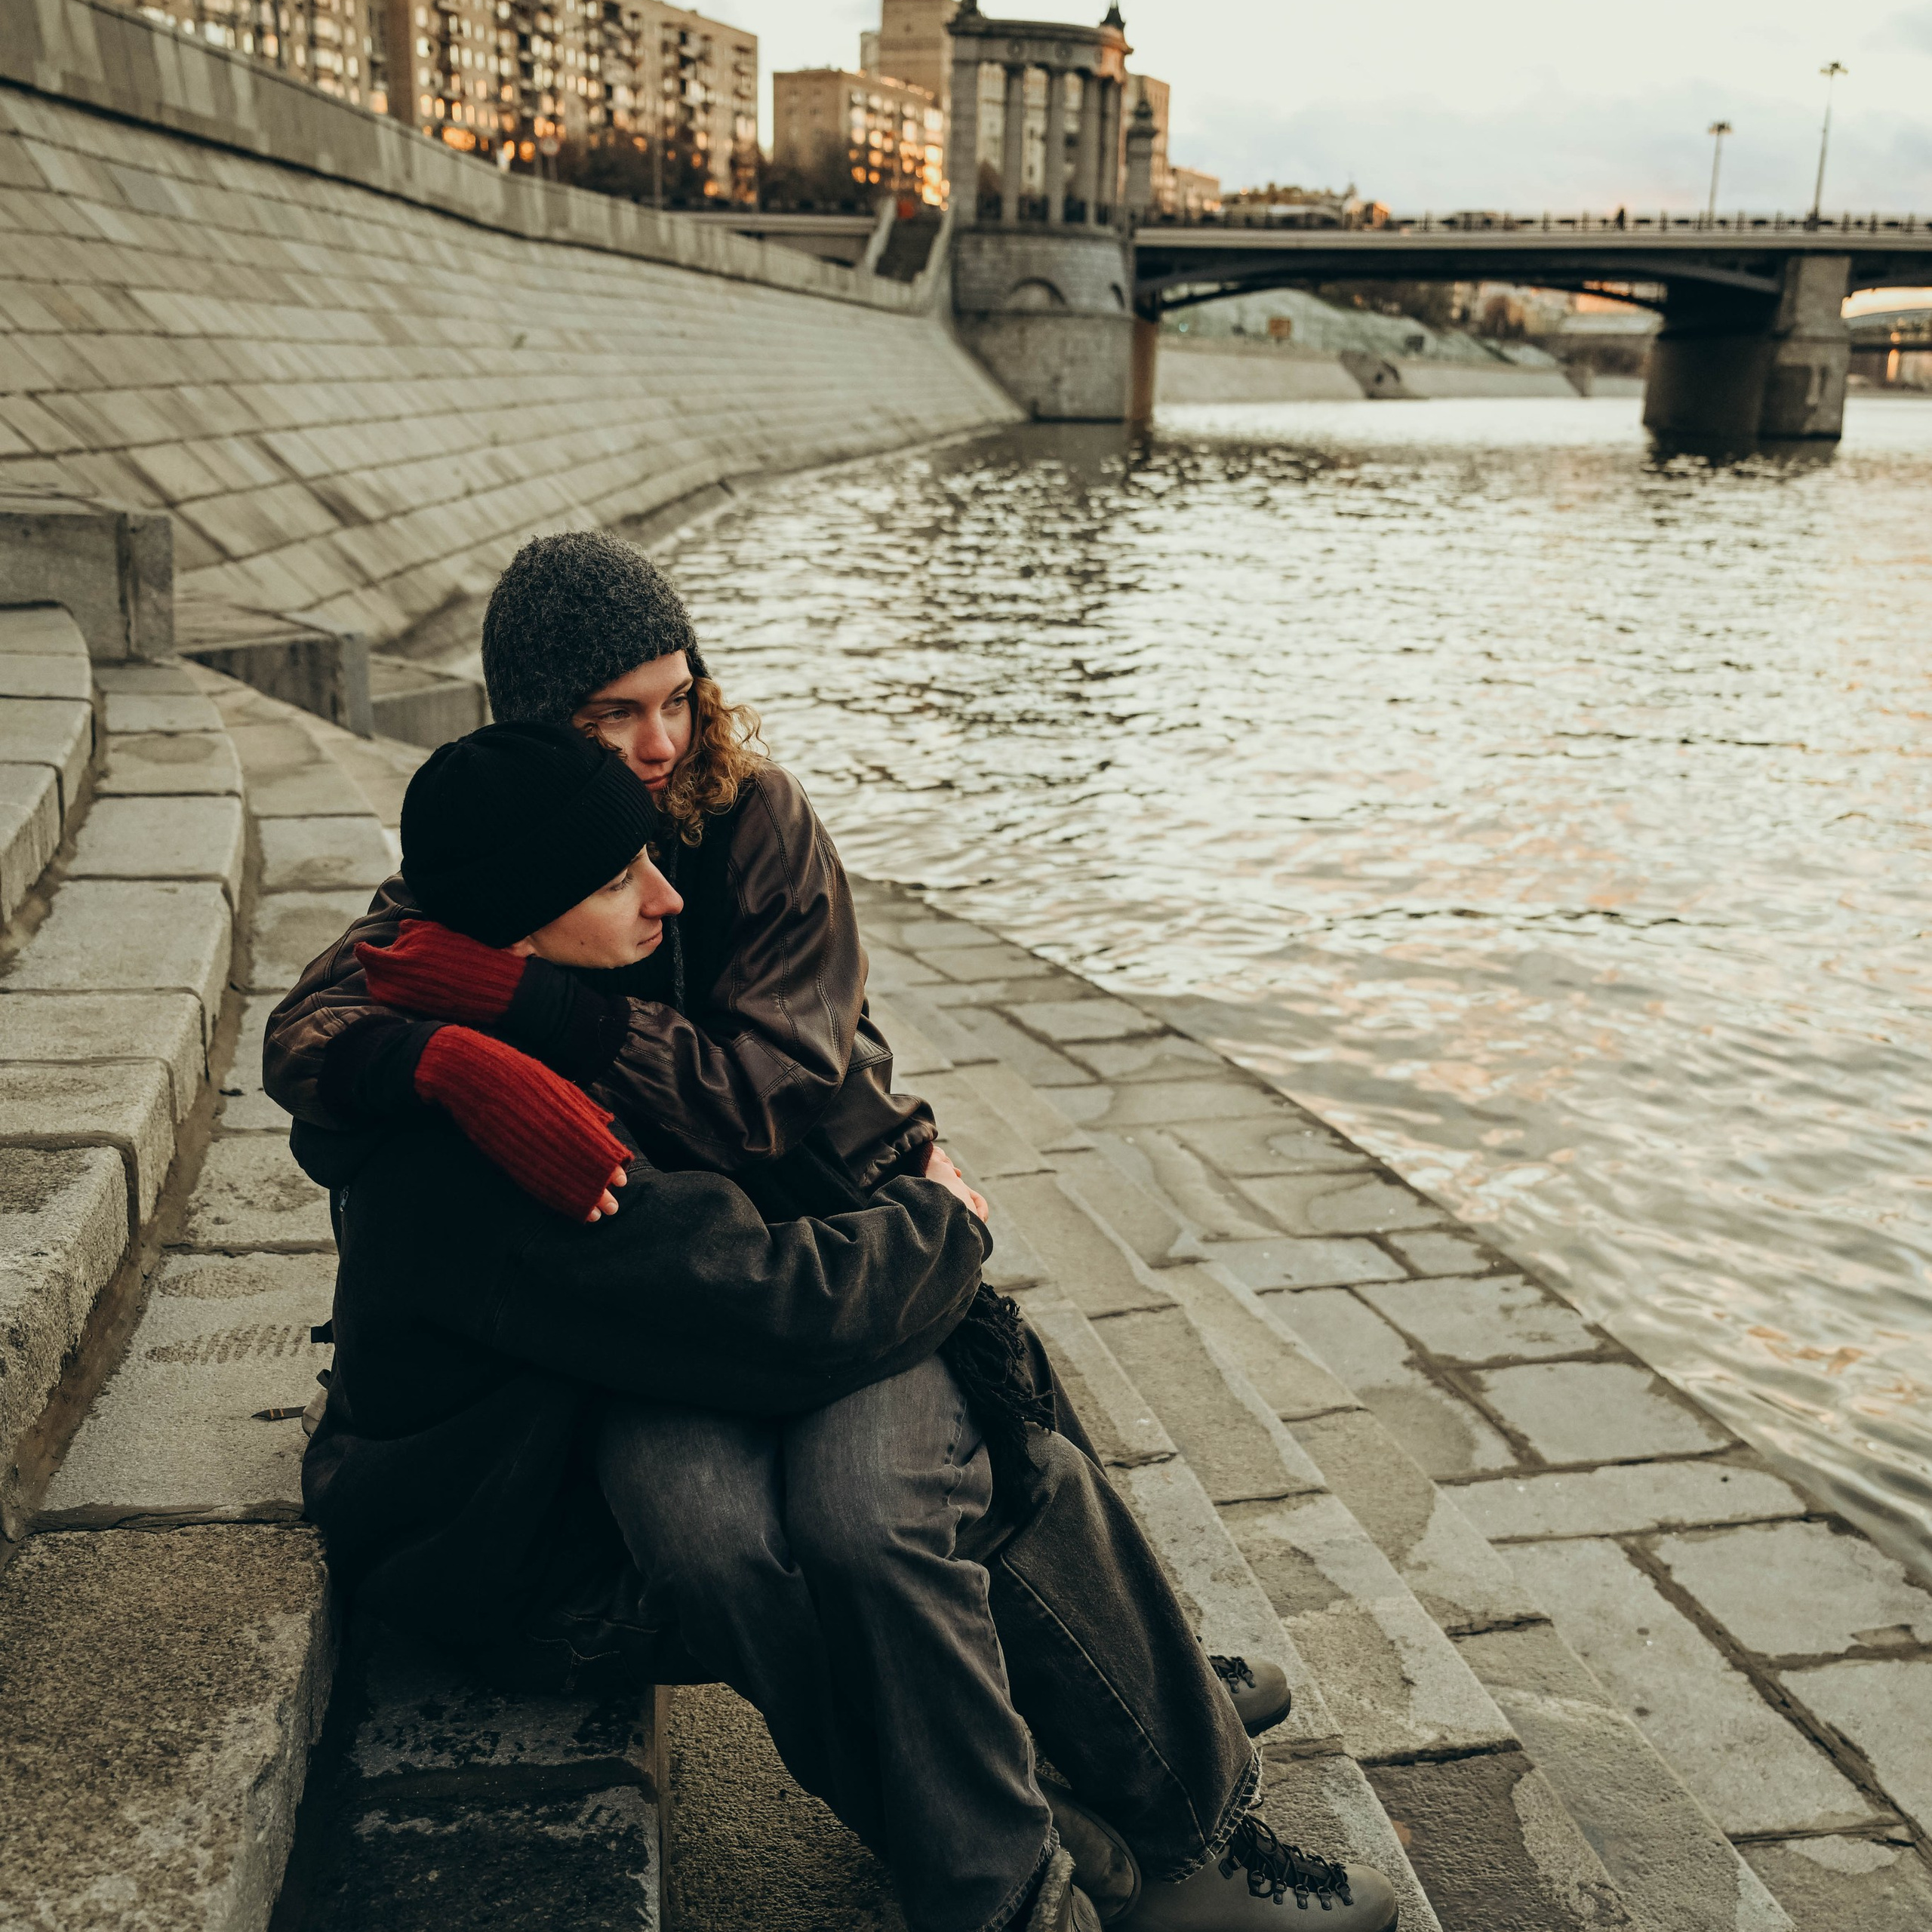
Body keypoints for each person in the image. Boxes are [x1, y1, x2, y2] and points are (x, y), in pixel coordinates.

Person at [272, 545, 1401, 1932]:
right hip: (668, 1301)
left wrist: (545, 1017)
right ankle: (988, 1818)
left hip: (811, 1222)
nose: (659, 743)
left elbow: (765, 1098)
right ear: (524, 731)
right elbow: (313, 1025)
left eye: (676, 699)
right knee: (711, 1541)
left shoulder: (751, 828)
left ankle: (1130, 1741)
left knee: (875, 1514)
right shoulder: (505, 855)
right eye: (609, 717)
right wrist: (445, 1062)